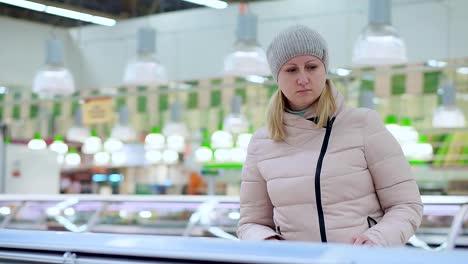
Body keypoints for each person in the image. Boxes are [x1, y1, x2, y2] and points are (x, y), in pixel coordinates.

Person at [237, 25, 423, 246]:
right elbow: (250, 223)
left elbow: (406, 205)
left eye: (312, 66)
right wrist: (267, 242)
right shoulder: (262, 142)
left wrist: (377, 239)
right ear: (277, 76)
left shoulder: (363, 124)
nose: (303, 78)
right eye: (291, 70)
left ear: (324, 70)